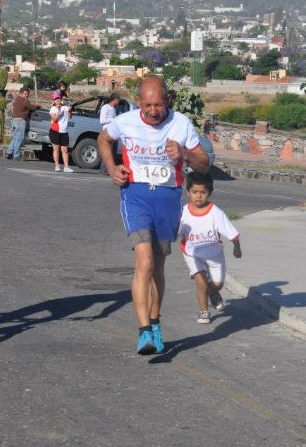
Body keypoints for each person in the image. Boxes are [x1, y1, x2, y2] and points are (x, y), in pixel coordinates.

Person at [97, 75, 210, 354]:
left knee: (157, 265)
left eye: (158, 105)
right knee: (144, 261)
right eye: (147, 105)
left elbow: (204, 164)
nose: (152, 111)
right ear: (138, 102)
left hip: (168, 197)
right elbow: (103, 139)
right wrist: (112, 167)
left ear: (167, 101)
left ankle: (155, 322)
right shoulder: (126, 121)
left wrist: (184, 152)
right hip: (135, 195)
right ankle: (144, 330)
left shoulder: (181, 123)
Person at [178, 172, 241, 324]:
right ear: (188, 192)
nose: (198, 196)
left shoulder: (215, 213)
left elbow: (229, 229)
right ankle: (204, 312)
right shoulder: (183, 212)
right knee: (201, 281)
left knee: (218, 284)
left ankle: (213, 292)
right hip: (192, 253)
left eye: (203, 192)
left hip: (214, 254)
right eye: (195, 192)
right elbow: (174, 231)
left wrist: (236, 245)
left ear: (209, 193)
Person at [6, 87, 41, 161]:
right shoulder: (24, 101)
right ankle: (16, 156)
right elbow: (31, 107)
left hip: (14, 120)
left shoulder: (17, 99)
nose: (26, 95)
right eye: (25, 93)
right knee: (19, 139)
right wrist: (38, 106)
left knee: (15, 138)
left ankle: (9, 152)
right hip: (20, 121)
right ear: (21, 93)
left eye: (27, 94)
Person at [49, 92, 73, 173]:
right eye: (57, 99)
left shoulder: (65, 107)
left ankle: (66, 167)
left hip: (64, 131)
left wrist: (69, 111)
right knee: (56, 149)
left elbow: (70, 117)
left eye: (60, 99)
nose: (59, 101)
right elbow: (55, 119)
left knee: (65, 150)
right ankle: (57, 166)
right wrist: (59, 111)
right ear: (54, 101)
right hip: (55, 131)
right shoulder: (53, 109)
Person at [98, 93, 121, 175]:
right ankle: (103, 169)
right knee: (107, 151)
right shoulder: (105, 107)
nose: (118, 102)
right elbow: (102, 120)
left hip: (114, 133)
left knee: (113, 152)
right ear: (115, 100)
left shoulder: (114, 109)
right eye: (118, 100)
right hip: (107, 132)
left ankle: (109, 169)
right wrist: (112, 119)